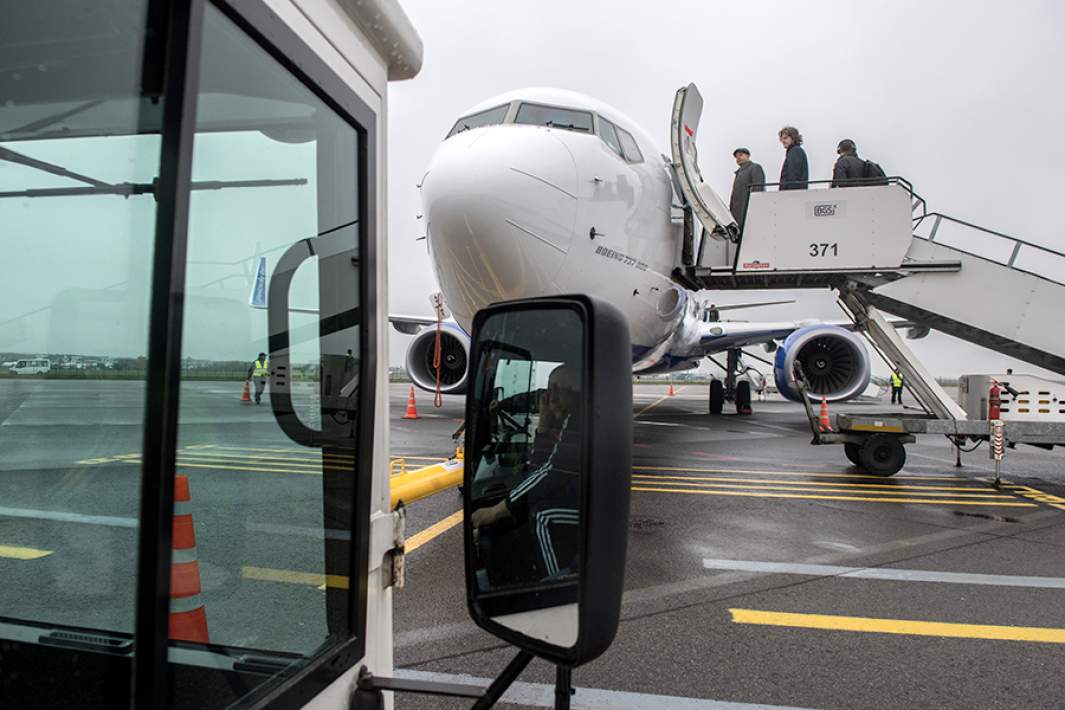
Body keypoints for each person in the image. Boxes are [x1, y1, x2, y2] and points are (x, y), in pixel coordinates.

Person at [471, 365, 580, 580]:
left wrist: (495, 511)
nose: (551, 398)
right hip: (583, 494)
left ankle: (555, 584)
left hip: (599, 510)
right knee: (533, 502)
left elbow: (552, 472)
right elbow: (545, 468)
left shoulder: (580, 422)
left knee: (542, 516)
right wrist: (544, 427)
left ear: (576, 392)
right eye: (550, 390)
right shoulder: (570, 418)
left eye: (560, 390)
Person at [729, 148, 766, 231]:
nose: (738, 158)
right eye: (736, 157)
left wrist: (753, 207)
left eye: (741, 155)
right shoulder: (738, 173)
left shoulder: (755, 168)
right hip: (737, 214)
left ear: (748, 156)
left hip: (748, 211)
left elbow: (758, 189)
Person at [778, 126, 808, 190]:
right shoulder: (794, 151)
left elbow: (793, 175)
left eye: (785, 138)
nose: (783, 141)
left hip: (792, 194)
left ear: (793, 138)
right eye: (782, 139)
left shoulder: (795, 151)